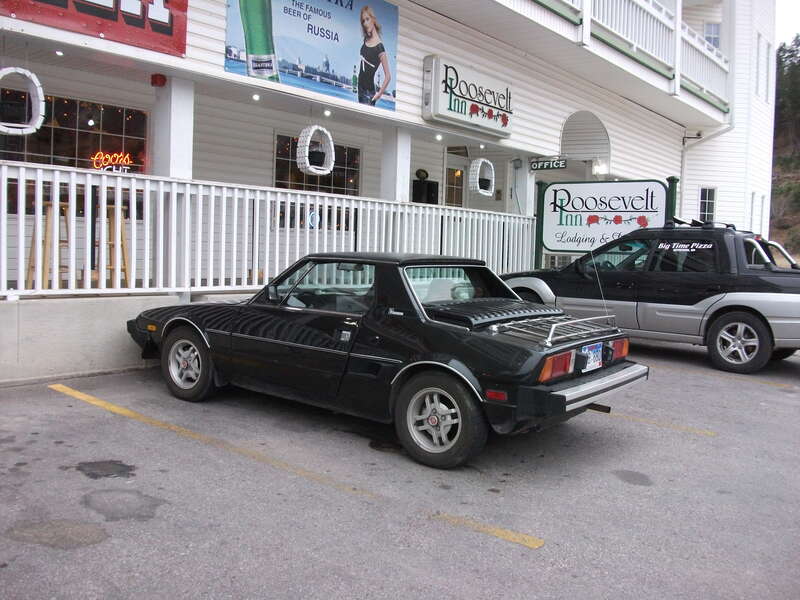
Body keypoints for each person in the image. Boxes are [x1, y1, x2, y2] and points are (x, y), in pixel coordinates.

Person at [357, 6, 391, 106]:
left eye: (367, 19)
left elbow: (388, 76)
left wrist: (379, 94)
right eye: (363, 21)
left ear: (373, 19)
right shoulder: (366, 40)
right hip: (360, 89)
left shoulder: (379, 47)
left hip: (368, 92)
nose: (365, 23)